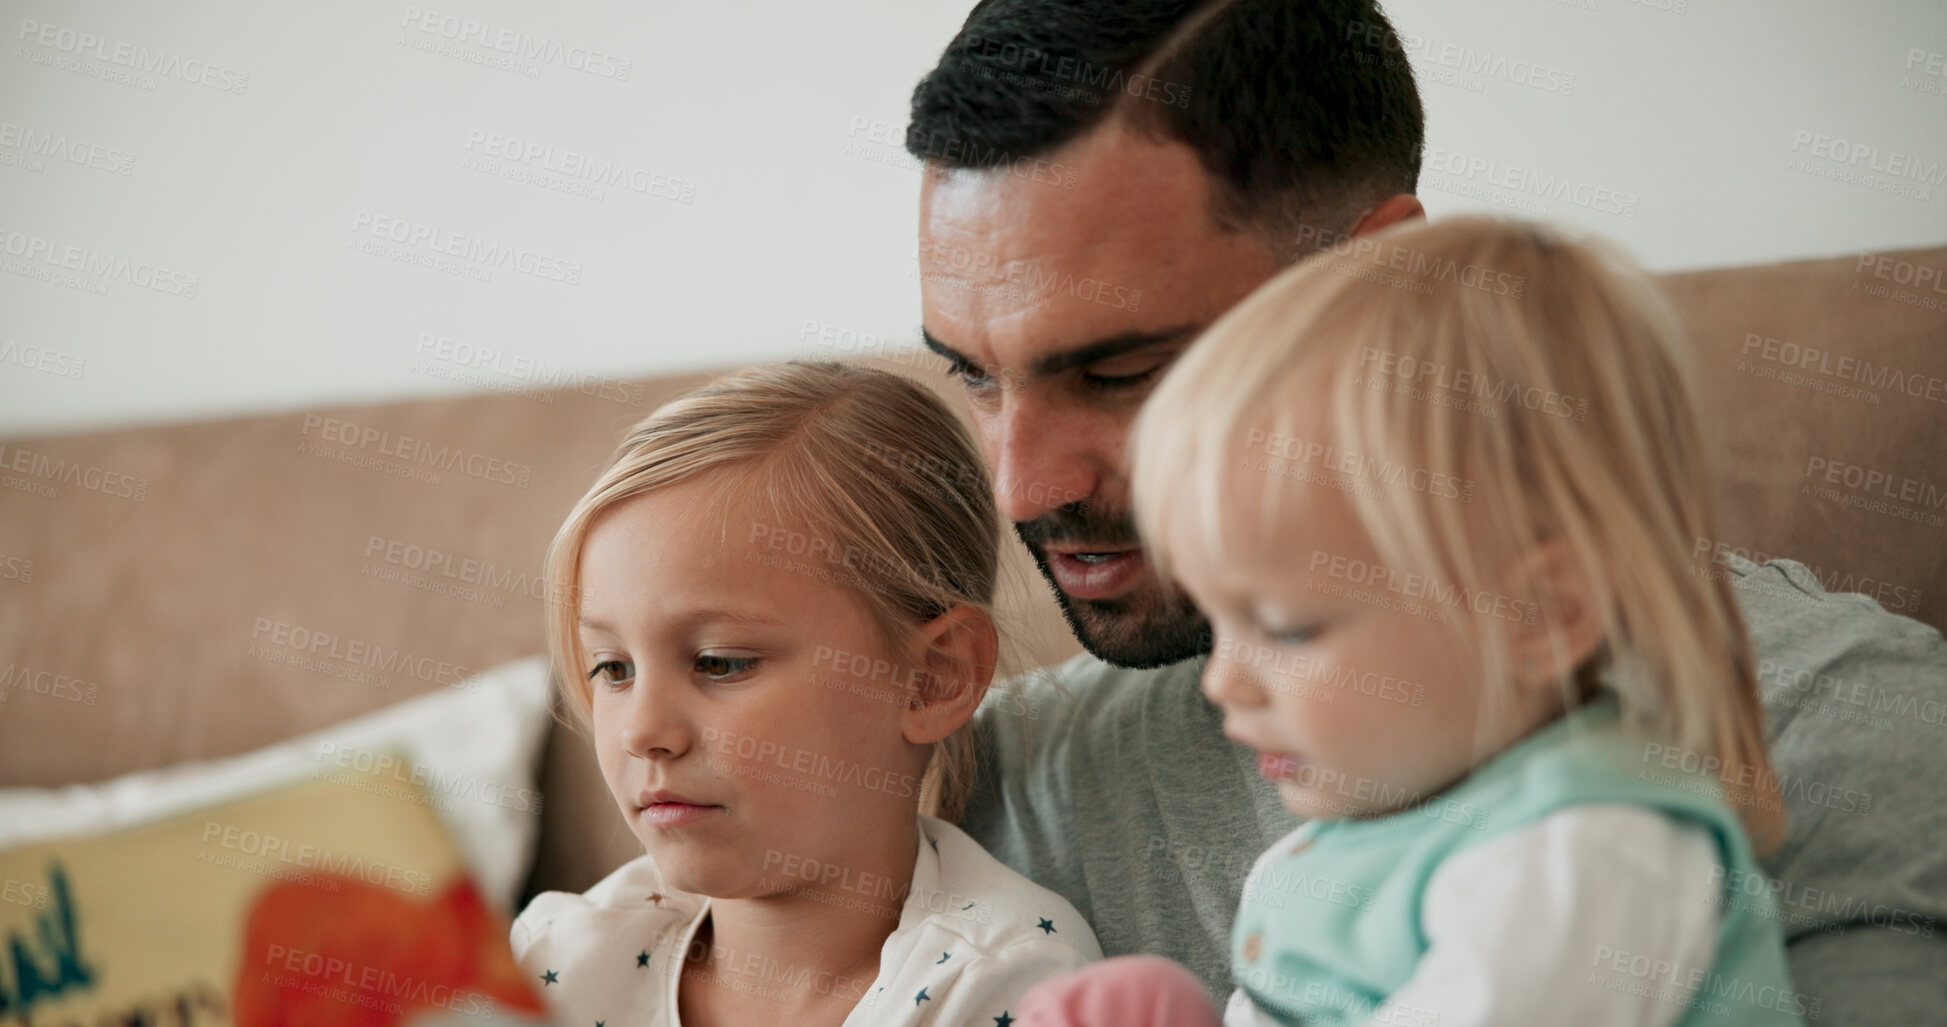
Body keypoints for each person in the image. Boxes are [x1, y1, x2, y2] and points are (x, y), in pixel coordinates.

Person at [904, 0, 1947, 1020]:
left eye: (1121, 371)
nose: (1020, 488)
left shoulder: (1832, 733)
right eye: (975, 379)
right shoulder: (984, 753)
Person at [1019, 216, 1803, 1025]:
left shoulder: (1587, 849)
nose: (1223, 679)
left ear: (1540, 614)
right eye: (1216, 622)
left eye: (1285, 628)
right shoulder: (1374, 824)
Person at [510, 362, 1102, 1026]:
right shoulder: (555, 959)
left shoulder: (1004, 982)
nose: (641, 728)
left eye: (719, 662)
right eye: (613, 669)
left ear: (933, 677)